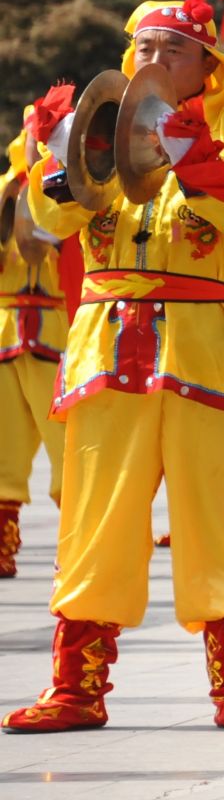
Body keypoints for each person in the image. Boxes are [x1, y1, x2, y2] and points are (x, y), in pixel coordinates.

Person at [4, 0, 224, 733]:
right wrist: (60, 170)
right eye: (144, 47)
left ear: (208, 64)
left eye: (174, 49)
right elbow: (47, 220)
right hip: (107, 339)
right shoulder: (95, 124)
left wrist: (185, 147)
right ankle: (76, 686)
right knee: (96, 516)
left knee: (214, 516)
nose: (154, 60)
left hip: (201, 341)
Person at [0, 91, 71, 578]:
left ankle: (78, 544)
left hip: (54, 329)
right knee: (5, 446)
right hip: (5, 329)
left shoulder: (73, 188)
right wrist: (15, 185)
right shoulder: (5, 190)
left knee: (68, 445)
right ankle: (3, 543)